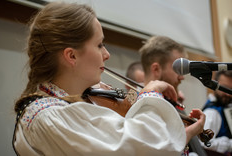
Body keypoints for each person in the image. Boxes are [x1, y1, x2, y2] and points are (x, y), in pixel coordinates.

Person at [12, 2, 205, 155]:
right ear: (71, 56)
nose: (106, 54)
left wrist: (178, 136)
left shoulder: (69, 107)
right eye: (99, 45)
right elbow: (137, 146)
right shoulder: (47, 116)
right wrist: (150, 96)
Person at [139, 36, 207, 156]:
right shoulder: (140, 109)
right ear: (156, 69)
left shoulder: (172, 103)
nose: (182, 77)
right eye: (178, 70)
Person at [202, 71, 232, 154]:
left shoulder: (226, 106)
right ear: (214, 84)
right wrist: (229, 144)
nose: (228, 94)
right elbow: (204, 144)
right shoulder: (211, 112)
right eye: (224, 88)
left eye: (231, 90)